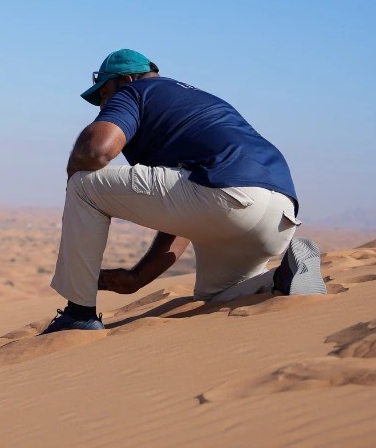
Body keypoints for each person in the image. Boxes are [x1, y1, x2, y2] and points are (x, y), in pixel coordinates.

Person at [41, 49, 326, 334]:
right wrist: (138, 277)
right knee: (216, 295)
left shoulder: (135, 92)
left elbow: (95, 151)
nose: (103, 106)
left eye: (104, 94)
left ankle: (79, 314)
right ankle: (283, 276)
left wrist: (74, 182)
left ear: (125, 79)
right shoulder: (198, 101)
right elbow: (180, 208)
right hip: (279, 213)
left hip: (225, 193)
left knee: (83, 184)